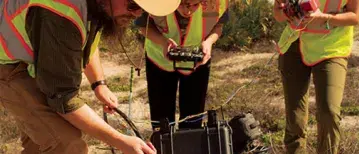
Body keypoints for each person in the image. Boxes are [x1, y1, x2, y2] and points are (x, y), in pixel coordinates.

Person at [0, 0, 180, 153]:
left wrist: (98, 84)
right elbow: (63, 97)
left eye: (142, 9)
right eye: (132, 4)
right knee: (67, 143)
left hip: (29, 61)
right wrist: (121, 141)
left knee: (42, 140)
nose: (137, 13)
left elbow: (85, 38)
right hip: (7, 63)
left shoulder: (97, 6)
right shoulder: (61, 13)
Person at [273, 0, 359, 153]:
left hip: (332, 49)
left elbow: (355, 16)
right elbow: (278, 15)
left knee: (329, 111)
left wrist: (324, 17)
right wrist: (289, 13)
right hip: (294, 46)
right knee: (295, 117)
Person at [135, 0, 229, 129]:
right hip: (160, 60)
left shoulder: (218, 2)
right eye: (182, 4)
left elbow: (218, 26)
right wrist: (163, 42)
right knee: (162, 118)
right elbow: (142, 25)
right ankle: (164, 146)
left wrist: (208, 42)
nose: (188, 11)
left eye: (195, 5)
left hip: (197, 61)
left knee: (193, 117)